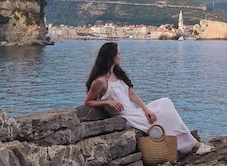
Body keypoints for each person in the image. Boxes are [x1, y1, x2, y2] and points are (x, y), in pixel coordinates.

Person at [84, 42, 215, 155]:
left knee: (165, 102)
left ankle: (189, 143)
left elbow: (132, 94)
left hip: (134, 111)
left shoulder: (118, 74)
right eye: (118, 53)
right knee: (161, 118)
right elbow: (88, 102)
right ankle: (195, 145)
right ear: (111, 57)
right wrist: (107, 102)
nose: (120, 56)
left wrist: (146, 109)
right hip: (125, 117)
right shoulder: (100, 81)